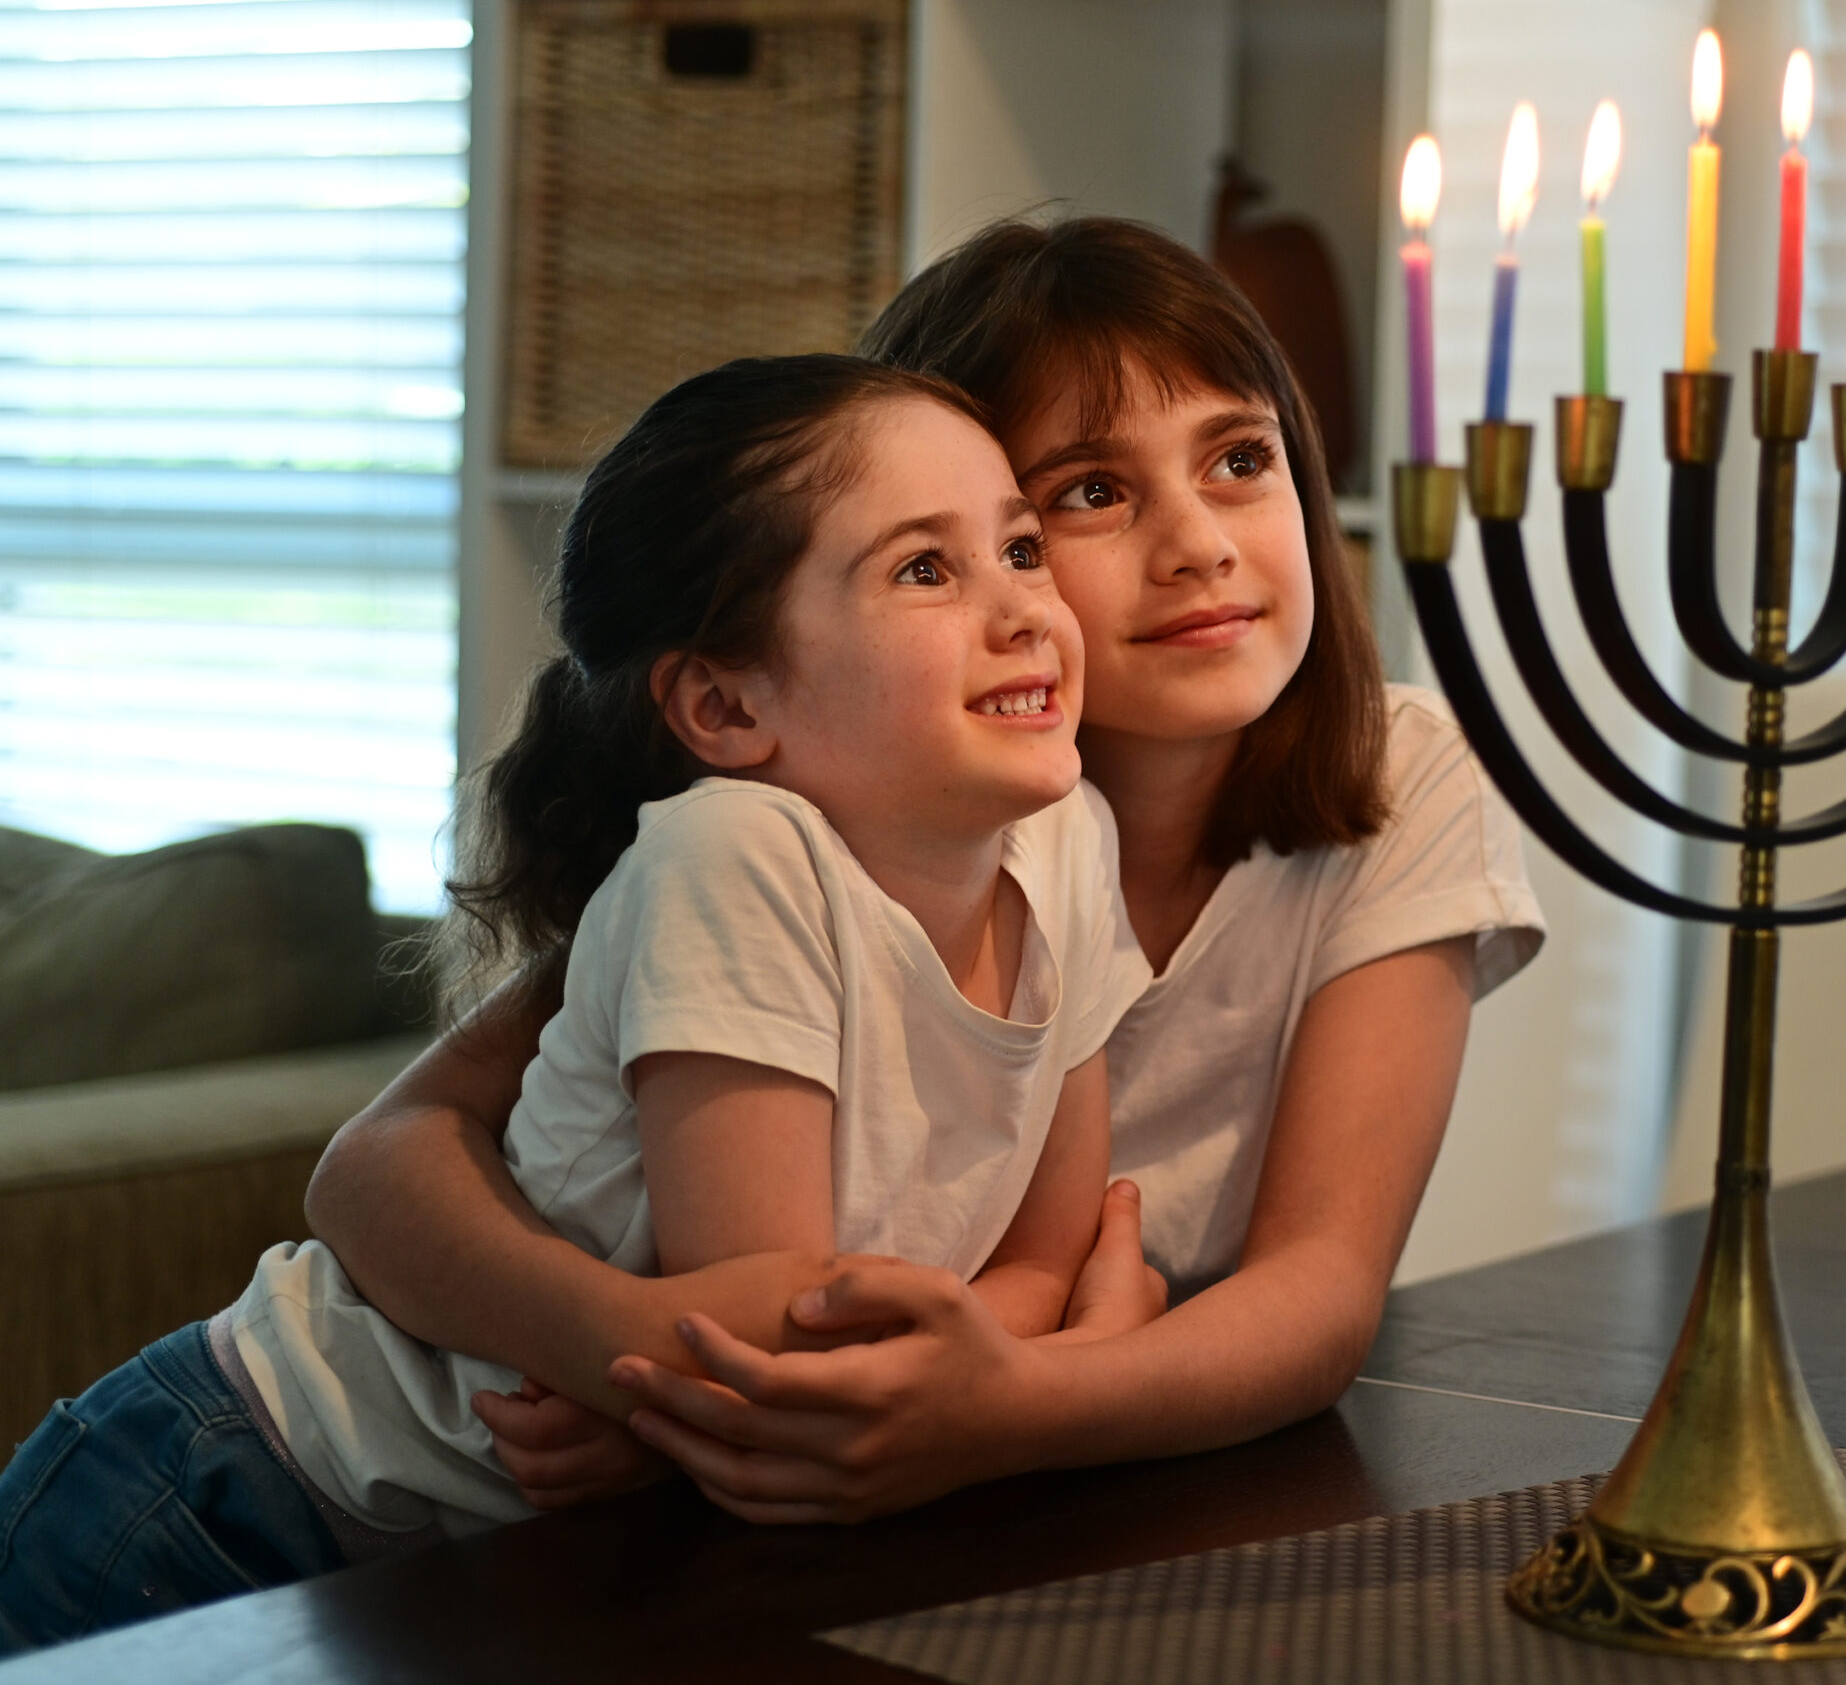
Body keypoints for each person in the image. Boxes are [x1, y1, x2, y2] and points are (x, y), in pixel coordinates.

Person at [300, 218, 1546, 1526]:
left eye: (1241, 458)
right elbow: (383, 1158)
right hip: (654, 1471)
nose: (1199, 545)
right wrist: (641, 1370)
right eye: (1089, 493)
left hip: (1010, 1474)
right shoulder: (832, 818)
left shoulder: (1404, 780)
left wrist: (1007, 1401)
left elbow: (1320, 1293)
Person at [0, 355, 1156, 1653]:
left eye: (1018, 546)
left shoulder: (1068, 839)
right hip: (225, 1491)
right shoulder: (733, 860)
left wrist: (974, 1384)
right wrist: (973, 1374)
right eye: (925, 570)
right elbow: (760, 1332)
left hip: (495, 1563)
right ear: (725, 704)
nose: (1023, 610)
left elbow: (1045, 1259)